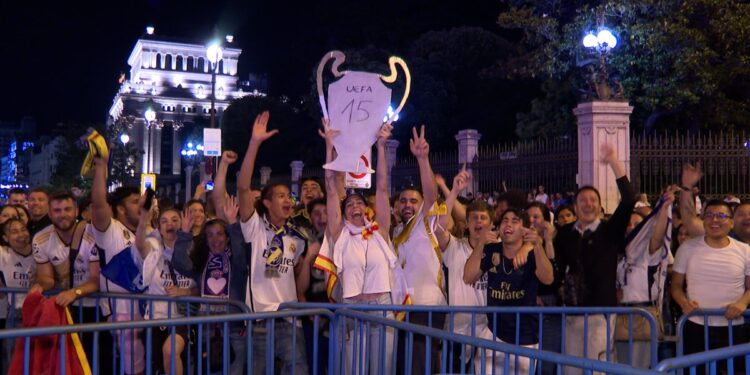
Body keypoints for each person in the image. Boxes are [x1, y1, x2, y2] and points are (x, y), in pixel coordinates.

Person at [317, 121, 400, 374]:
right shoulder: (339, 233)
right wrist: (329, 144)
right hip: (351, 309)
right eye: (349, 203)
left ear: (366, 208)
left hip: (383, 309)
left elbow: (383, 186)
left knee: (382, 369)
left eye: (358, 202)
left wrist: (382, 146)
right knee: (352, 370)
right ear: (342, 213)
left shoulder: (380, 230)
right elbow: (331, 188)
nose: (355, 205)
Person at [235, 111, 309, 374]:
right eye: (279, 195)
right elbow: (243, 187)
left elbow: (297, 276)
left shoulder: (297, 238)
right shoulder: (254, 227)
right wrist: (254, 143)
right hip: (260, 320)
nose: (287, 199)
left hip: (290, 320)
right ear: (266, 203)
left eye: (288, 195)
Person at [554, 144, 635, 375]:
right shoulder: (565, 233)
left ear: (599, 207)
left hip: (600, 314)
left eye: (592, 200)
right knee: (571, 368)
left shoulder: (610, 231)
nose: (588, 204)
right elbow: (558, 267)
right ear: (576, 207)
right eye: (583, 200)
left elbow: (629, 198)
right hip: (571, 313)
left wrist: (613, 162)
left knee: (596, 370)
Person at [464, 208, 554, 374]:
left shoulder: (532, 253)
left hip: (525, 337)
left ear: (524, 229)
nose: (508, 224)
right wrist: (481, 244)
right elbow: (468, 277)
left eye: (515, 221)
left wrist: (537, 246)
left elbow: (548, 278)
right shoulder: (492, 250)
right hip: (494, 333)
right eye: (505, 220)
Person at [173, 193, 249, 375]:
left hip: (234, 330)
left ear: (227, 237)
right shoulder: (201, 263)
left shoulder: (237, 262)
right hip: (207, 330)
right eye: (210, 236)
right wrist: (184, 234)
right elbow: (180, 263)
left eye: (220, 234)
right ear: (205, 240)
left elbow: (240, 253)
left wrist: (233, 225)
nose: (215, 240)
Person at [671, 200, 750, 375]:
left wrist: (742, 304)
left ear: (731, 222)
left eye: (721, 216)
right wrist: (684, 302)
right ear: (702, 219)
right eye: (709, 215)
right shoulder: (687, 248)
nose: (715, 220)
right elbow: (676, 286)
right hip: (696, 326)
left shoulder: (745, 250)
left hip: (734, 328)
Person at [392, 125, 446, 374]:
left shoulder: (425, 222)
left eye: (413, 201)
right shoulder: (394, 232)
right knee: (406, 365)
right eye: (403, 200)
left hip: (426, 306)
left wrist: (422, 159)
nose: (407, 205)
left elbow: (432, 195)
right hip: (403, 308)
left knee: (422, 365)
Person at [29, 190, 102, 366]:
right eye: (57, 210)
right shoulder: (40, 239)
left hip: (95, 308)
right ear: (50, 212)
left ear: (76, 211)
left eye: (67, 209)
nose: (63, 215)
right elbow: (47, 278)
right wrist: (39, 285)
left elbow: (96, 279)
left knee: (93, 361)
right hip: (63, 308)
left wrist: (75, 292)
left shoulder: (92, 235)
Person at [434, 168, 495, 373]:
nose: (479, 221)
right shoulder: (454, 246)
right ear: (466, 224)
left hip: (488, 329)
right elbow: (438, 229)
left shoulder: (499, 248)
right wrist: (452, 191)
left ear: (491, 223)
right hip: (457, 329)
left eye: (483, 218)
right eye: (474, 218)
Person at [89, 153, 144, 375]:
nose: (141, 205)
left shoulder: (148, 232)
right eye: (135, 202)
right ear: (120, 209)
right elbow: (99, 204)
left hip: (149, 311)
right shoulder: (110, 231)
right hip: (122, 314)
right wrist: (102, 167)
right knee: (134, 369)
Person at [135, 196, 198, 375]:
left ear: (183, 224)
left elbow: (201, 287)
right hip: (155, 319)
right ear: (160, 228)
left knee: (170, 352)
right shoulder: (154, 248)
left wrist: (184, 291)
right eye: (164, 221)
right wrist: (143, 218)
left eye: (174, 220)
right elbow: (139, 244)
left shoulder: (194, 250)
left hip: (181, 318)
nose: (169, 224)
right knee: (158, 367)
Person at [615, 188, 676, 368]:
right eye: (629, 225)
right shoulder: (617, 254)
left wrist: (664, 209)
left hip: (641, 316)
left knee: (638, 367)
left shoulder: (647, 253)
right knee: (617, 365)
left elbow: (657, 236)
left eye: (637, 225)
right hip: (617, 313)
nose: (632, 228)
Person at [0, 218, 36, 374]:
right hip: (15, 314)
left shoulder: (39, 252)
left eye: (23, 229)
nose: (21, 234)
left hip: (39, 313)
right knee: (12, 361)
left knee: (38, 360)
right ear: (5, 238)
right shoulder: (3, 254)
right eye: (14, 232)